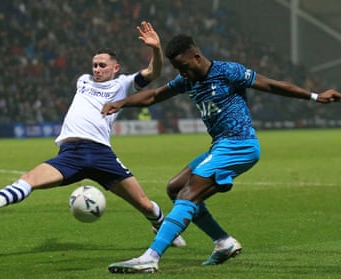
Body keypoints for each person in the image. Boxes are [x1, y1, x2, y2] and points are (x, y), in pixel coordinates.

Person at [102, 34, 341, 273]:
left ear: (196, 56)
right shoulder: (187, 80)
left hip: (240, 144)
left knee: (188, 194)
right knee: (175, 188)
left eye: (183, 66)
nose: (181, 73)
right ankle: (223, 242)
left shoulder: (228, 71)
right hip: (221, 146)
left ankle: (151, 257)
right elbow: (154, 95)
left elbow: (270, 85)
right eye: (177, 68)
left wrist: (314, 96)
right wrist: (122, 103)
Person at [0, 21, 186, 247]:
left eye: (102, 65)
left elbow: (153, 72)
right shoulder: (83, 81)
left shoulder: (123, 84)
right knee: (29, 179)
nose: (96, 69)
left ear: (115, 68)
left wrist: (155, 49)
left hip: (99, 153)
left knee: (145, 204)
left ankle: (163, 227)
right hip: (70, 153)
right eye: (95, 65)